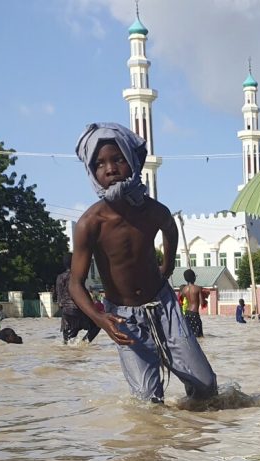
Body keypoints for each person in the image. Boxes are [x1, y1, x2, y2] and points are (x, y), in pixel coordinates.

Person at [71, 122, 217, 402]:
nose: (110, 169)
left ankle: (198, 439)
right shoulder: (90, 224)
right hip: (123, 316)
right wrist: (101, 319)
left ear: (133, 160)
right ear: (92, 173)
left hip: (163, 306)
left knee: (206, 387)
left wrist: (167, 266)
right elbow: (76, 284)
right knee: (148, 402)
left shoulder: (151, 211)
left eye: (118, 159)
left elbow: (169, 227)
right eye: (100, 164)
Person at [56, 253, 101, 344]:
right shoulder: (77, 276)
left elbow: (59, 296)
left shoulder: (59, 277)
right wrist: (92, 306)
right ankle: (84, 343)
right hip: (78, 309)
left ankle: (73, 353)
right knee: (98, 324)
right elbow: (82, 292)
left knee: (67, 342)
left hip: (65, 311)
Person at [179, 269, 205, 338]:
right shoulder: (198, 288)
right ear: (194, 277)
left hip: (187, 314)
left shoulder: (183, 290)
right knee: (199, 336)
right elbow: (202, 303)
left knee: (190, 336)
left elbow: (180, 302)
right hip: (194, 314)